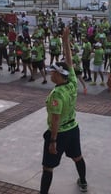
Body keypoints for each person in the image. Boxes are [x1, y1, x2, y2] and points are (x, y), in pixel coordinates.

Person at [40, 27, 87, 193]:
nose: (51, 74)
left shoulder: (57, 95)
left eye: (53, 72)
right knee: (77, 157)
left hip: (59, 133)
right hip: (73, 129)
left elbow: (55, 119)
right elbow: (69, 59)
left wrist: (53, 141)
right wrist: (65, 40)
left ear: (59, 75)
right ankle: (83, 182)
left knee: (48, 167)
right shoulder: (72, 81)